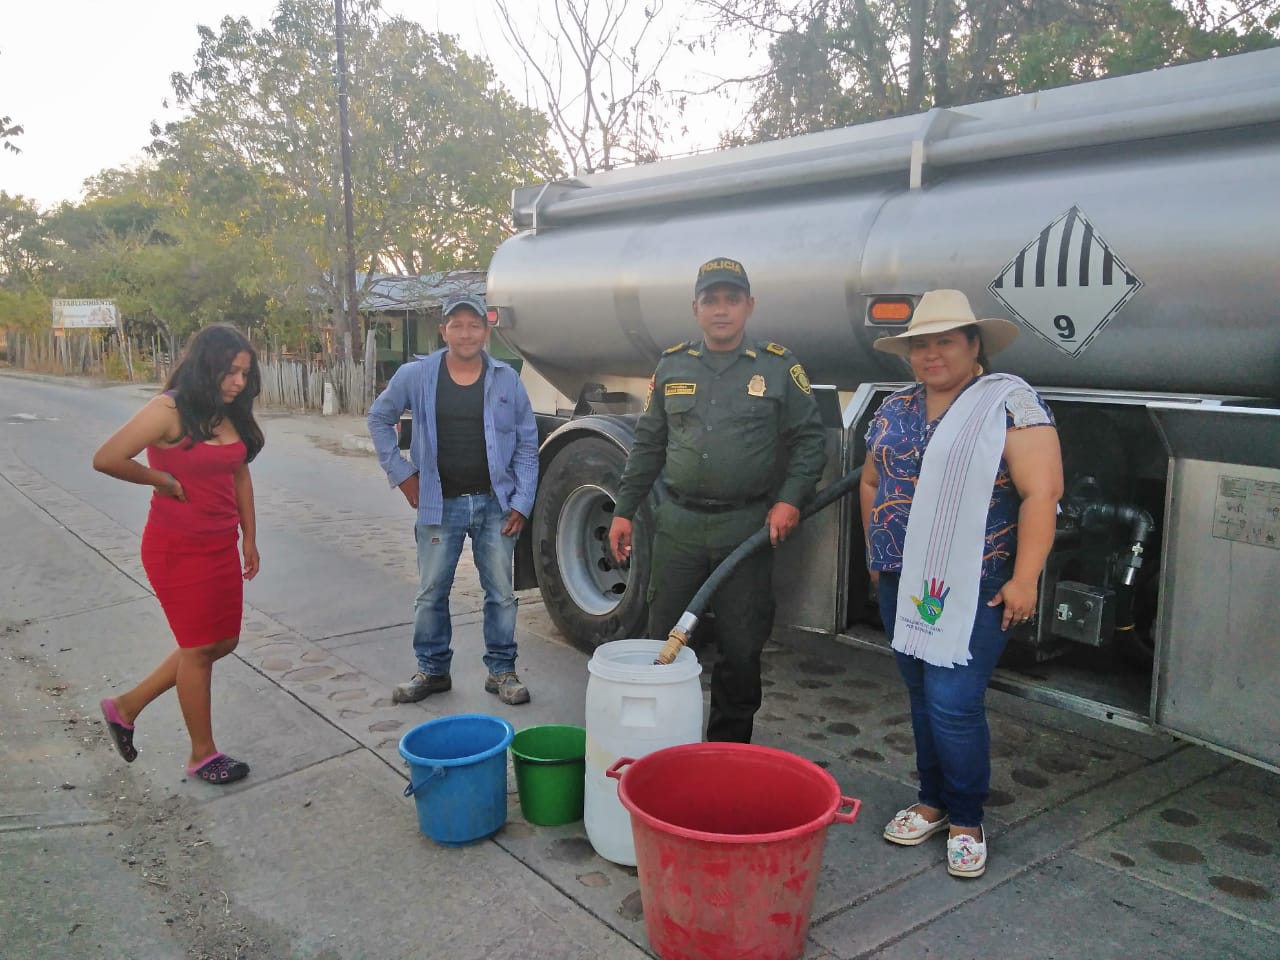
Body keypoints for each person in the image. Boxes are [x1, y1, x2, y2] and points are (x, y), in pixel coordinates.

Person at [860, 289, 1063, 878]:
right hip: (902, 578)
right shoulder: (896, 407)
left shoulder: (1009, 405)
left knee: (953, 702)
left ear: (974, 345)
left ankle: (968, 816)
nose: (930, 354)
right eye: (920, 345)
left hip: (974, 584)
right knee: (921, 694)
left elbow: (1041, 494)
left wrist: (1026, 578)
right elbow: (872, 480)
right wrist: (877, 551)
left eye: (945, 341)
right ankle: (931, 801)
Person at [608, 257, 827, 743]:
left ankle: (726, 755)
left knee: (741, 648)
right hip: (678, 527)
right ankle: (662, 745)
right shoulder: (672, 364)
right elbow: (648, 444)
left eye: (732, 300)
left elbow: (810, 440)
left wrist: (790, 499)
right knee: (663, 639)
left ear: (749, 306)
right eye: (711, 300)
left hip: (745, 529)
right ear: (696, 309)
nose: (721, 310)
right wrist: (623, 509)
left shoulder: (778, 365)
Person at [94, 324, 264, 786]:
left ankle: (125, 707)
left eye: (245, 374)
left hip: (220, 545)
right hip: (177, 549)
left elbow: (240, 477)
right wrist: (163, 481)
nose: (238, 383)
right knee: (198, 650)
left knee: (221, 642)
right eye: (230, 372)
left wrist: (249, 536)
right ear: (205, 365)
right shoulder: (167, 409)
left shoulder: (230, 415)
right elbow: (107, 458)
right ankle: (202, 754)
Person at [368, 293, 539, 706]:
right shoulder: (418, 374)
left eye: (474, 325)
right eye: (457, 324)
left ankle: (502, 671)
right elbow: (379, 418)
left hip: (494, 504)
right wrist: (403, 475)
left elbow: (527, 443)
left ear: (486, 331)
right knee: (431, 592)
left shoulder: (506, 379)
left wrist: (522, 501)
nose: (466, 333)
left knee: (500, 592)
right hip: (437, 505)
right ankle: (432, 669)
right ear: (443, 330)